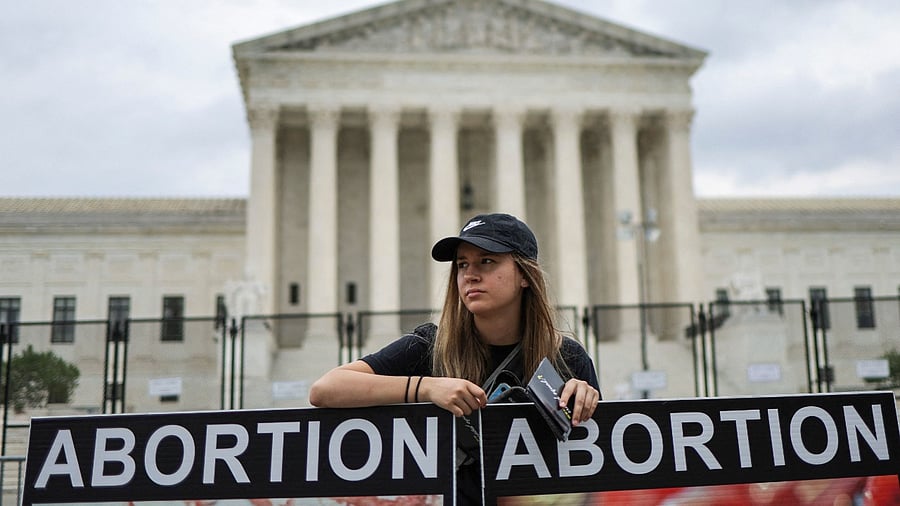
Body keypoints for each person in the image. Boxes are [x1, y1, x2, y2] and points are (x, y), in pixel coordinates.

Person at [309, 213, 600, 503]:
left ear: (525, 275)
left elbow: (595, 468)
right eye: (462, 264)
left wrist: (586, 400)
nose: (470, 274)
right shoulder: (432, 345)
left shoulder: (567, 358)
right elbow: (325, 389)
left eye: (487, 261)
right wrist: (426, 388)